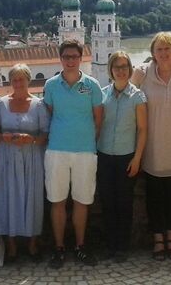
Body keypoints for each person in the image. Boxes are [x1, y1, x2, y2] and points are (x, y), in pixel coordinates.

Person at [131, 31, 171, 261]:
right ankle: (159, 240)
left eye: (168, 48)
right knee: (154, 197)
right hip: (152, 148)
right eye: (159, 49)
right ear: (153, 53)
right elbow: (126, 96)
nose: (164, 53)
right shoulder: (143, 72)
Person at [43, 39, 103, 268]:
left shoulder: (93, 85)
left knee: (82, 201)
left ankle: (80, 246)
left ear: (81, 58)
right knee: (57, 201)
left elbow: (99, 119)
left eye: (74, 57)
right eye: (66, 57)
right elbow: (49, 112)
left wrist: (87, 140)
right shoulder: (50, 85)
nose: (70, 61)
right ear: (61, 58)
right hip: (57, 150)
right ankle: (59, 248)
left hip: (85, 151)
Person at [0, 64, 50, 262]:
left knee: (32, 198)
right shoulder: (0, 103)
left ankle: (33, 243)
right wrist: (2, 137)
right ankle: (11, 245)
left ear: (28, 80)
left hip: (31, 158)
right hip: (7, 158)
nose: (17, 83)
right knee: (7, 197)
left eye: (21, 79)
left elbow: (45, 134)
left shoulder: (38, 104)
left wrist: (31, 139)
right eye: (14, 80)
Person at [97, 51, 147, 261]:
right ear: (111, 70)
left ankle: (123, 246)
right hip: (104, 155)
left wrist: (137, 158)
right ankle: (110, 244)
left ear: (130, 69)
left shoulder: (137, 96)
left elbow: (143, 129)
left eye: (124, 66)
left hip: (126, 157)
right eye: (116, 67)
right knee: (107, 202)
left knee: (124, 203)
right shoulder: (102, 94)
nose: (121, 71)